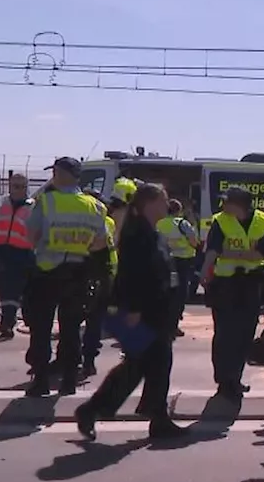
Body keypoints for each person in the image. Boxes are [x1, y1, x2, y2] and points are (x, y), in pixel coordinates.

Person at [75, 183, 187, 440]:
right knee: (141, 366)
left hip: (157, 311)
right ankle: (93, 410)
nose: (167, 204)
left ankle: (155, 416)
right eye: (163, 200)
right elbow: (131, 274)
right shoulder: (137, 234)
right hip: (143, 312)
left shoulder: (152, 232)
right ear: (149, 203)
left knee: (150, 365)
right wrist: (134, 308)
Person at [23, 157, 111, 397]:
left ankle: (40, 381)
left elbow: (31, 235)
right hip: (78, 271)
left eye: (54, 171)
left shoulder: (47, 201)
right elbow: (101, 241)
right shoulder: (95, 206)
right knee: (71, 329)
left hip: (47, 271)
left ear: (62, 173)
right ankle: (69, 381)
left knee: (41, 329)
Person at [200, 186, 264, 400]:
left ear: (239, 205)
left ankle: (235, 378)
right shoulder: (221, 220)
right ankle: (224, 380)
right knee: (224, 334)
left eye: (227, 202)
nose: (223, 206)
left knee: (244, 334)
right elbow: (213, 250)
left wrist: (233, 252)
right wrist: (206, 270)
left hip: (250, 284)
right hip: (224, 284)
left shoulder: (263, 221)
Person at [0, 172, 35, 338]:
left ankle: (7, 323)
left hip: (22, 253)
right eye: (16, 186)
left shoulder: (34, 206)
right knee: (3, 287)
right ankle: (15, 320)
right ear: (9, 186)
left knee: (11, 290)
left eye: (23, 186)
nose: (20, 190)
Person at [80, 190, 118, 378]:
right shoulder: (108, 222)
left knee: (78, 321)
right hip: (104, 275)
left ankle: (82, 360)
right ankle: (88, 361)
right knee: (93, 322)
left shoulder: (85, 223)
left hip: (87, 274)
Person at [156, 199, 201, 336]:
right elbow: (194, 243)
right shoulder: (183, 224)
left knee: (164, 292)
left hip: (164, 262)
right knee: (179, 295)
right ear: (178, 211)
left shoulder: (159, 223)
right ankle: (173, 326)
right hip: (182, 263)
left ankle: (160, 323)